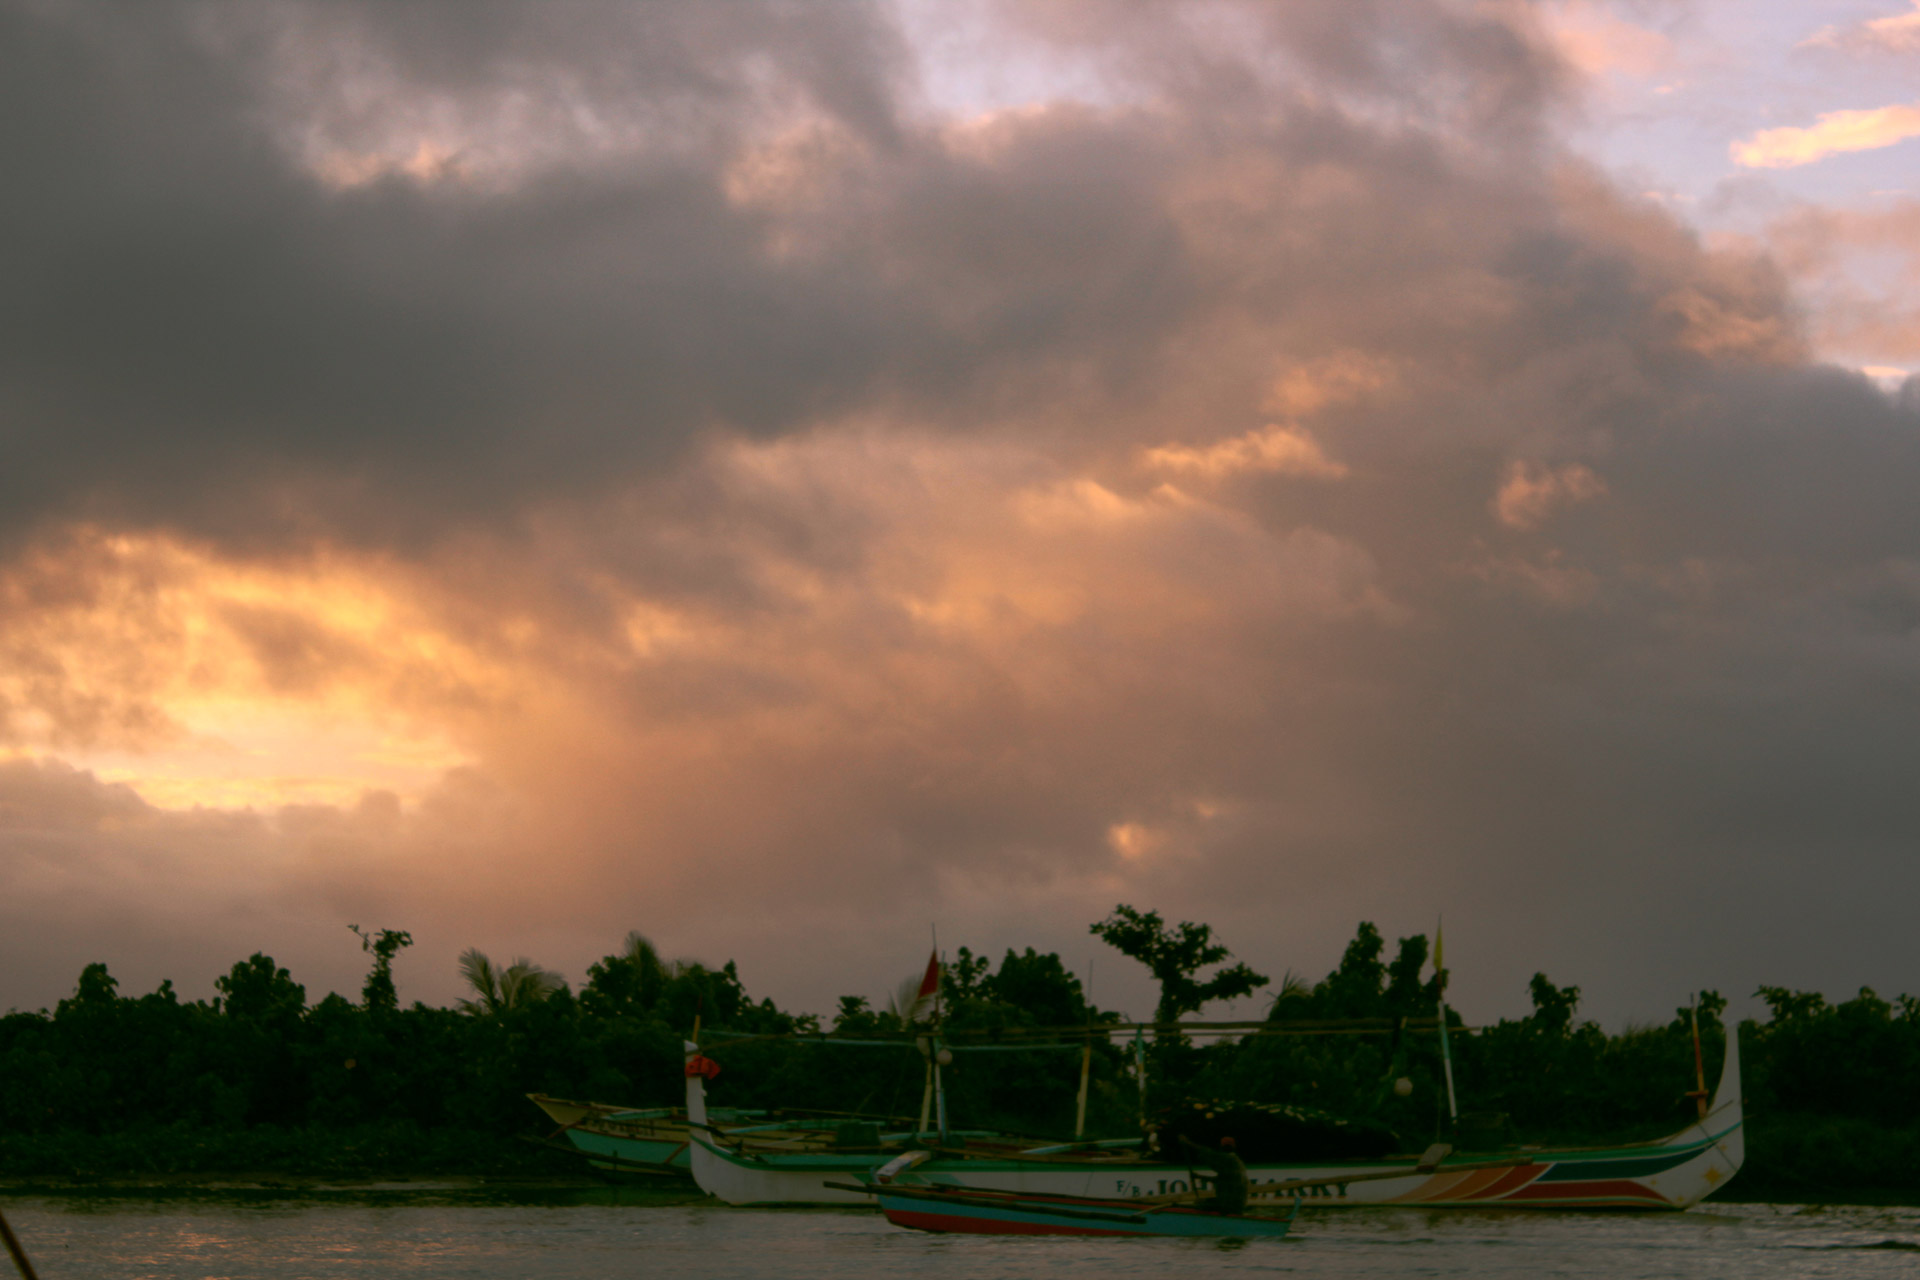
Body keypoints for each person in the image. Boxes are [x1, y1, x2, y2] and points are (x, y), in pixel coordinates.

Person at [1179, 1134, 1250, 1215]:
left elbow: (1207, 1152)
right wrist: (1198, 1176)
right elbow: (1217, 1180)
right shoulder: (1233, 1165)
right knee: (1200, 1201)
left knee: (1200, 1204)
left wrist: (1187, 1143)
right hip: (1234, 1205)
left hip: (1229, 1205)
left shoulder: (1229, 1159)